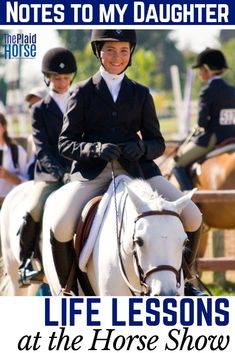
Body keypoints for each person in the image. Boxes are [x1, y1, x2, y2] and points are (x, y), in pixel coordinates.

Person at [50, 30, 204, 296]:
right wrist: (95, 148)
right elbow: (66, 143)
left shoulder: (141, 93)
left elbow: (157, 142)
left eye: (123, 50)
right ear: (99, 52)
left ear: (130, 53)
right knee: (61, 225)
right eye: (110, 50)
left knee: (193, 216)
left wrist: (142, 147)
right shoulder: (82, 92)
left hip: (138, 172)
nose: (117, 57)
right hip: (94, 174)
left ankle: (186, 282)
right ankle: (68, 289)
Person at [18, 47, 77, 287]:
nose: (61, 82)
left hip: (80, 172)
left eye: (65, 77)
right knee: (34, 209)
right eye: (56, 78)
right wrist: (60, 173)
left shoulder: (81, 101)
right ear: (48, 78)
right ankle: (26, 262)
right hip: (50, 174)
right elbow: (42, 148)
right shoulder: (39, 109)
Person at [172, 48, 235, 190]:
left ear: (206, 68)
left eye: (200, 69)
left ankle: (190, 199)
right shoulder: (232, 90)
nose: (200, 73)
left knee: (177, 164)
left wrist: (199, 128)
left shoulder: (207, 91)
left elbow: (202, 122)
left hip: (213, 138)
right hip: (232, 134)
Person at [0, 113, 27, 206]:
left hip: (11, 204)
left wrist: (9, 176)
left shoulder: (17, 151)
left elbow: (27, 182)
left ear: (4, 127)